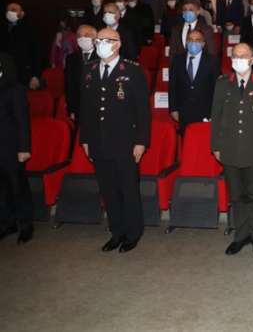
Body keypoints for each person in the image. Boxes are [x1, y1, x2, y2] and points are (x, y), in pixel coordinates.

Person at [80, 28, 151, 253]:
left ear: (117, 44)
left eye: (105, 40)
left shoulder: (132, 70)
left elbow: (143, 110)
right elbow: (86, 109)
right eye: (98, 40)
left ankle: (133, 233)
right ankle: (117, 232)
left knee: (128, 190)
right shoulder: (89, 70)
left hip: (125, 142)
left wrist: (141, 141)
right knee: (108, 190)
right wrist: (85, 139)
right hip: (98, 141)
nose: (100, 44)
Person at [211, 43, 253, 256]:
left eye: (243, 55)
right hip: (229, 148)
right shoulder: (223, 82)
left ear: (252, 60)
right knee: (237, 196)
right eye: (235, 55)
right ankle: (240, 236)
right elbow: (216, 116)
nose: (238, 59)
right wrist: (216, 146)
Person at [0, 60, 33, 244]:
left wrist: (24, 148)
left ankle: (26, 225)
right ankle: (8, 223)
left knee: (18, 187)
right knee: (2, 189)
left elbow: (22, 120)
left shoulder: (13, 88)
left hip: (11, 147)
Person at [168, 28, 221, 135]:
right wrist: (173, 108)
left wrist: (216, 111)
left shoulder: (212, 61)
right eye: (190, 40)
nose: (193, 43)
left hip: (206, 110)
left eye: (197, 40)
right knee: (186, 141)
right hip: (184, 111)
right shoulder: (177, 60)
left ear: (203, 44)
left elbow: (218, 88)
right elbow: (172, 86)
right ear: (186, 42)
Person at [0, 3, 43, 89]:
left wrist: (35, 76)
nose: (9, 12)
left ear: (22, 13)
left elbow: (38, 53)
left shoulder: (30, 29)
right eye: (8, 10)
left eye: (13, 10)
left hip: (24, 74)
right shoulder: (3, 29)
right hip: (6, 73)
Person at [64, 24, 99, 121]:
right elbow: (68, 85)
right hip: (78, 107)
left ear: (95, 38)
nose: (82, 38)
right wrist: (71, 109)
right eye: (79, 36)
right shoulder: (71, 58)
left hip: (97, 106)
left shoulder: (102, 56)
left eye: (86, 35)